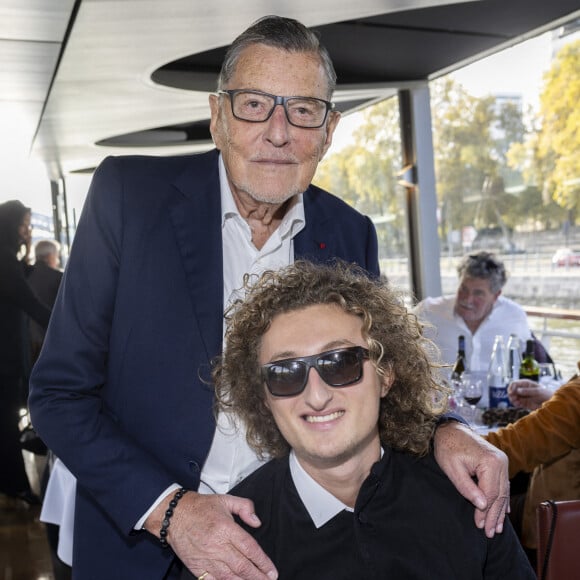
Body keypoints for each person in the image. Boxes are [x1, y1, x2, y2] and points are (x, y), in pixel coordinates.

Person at [29, 15, 508, 580]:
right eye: (254, 104)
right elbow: (59, 395)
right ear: (217, 117)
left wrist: (449, 428)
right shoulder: (128, 198)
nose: (278, 133)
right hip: (142, 543)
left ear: (327, 131)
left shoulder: (349, 230)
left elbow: (381, 366)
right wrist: (171, 512)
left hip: (288, 542)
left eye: (303, 110)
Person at [202, 260, 534, 579]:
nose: (316, 396)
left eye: (341, 363)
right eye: (286, 373)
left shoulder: (463, 495)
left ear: (386, 374)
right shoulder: (235, 546)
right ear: (263, 396)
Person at [484, 375, 580, 569]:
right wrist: (553, 402)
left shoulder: (575, 398)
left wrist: (446, 441)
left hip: (556, 532)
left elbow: (507, 448)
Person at [413, 251, 532, 400]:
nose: (467, 299)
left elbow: (528, 362)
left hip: (498, 412)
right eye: (463, 289)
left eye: (478, 293)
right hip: (441, 413)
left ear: (496, 295)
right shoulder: (429, 311)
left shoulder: (514, 316)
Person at [0, 200, 51, 504]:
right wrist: (67, 328)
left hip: (5, 354)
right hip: (3, 358)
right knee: (6, 422)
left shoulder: (8, 258)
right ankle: (15, 485)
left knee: (5, 421)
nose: (27, 230)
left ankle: (13, 484)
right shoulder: (4, 260)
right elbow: (30, 302)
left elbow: (26, 277)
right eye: (24, 224)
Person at [27, 239, 63, 364]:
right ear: (49, 256)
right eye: (57, 256)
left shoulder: (24, 275)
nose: (58, 260)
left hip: (26, 341)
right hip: (50, 339)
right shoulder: (59, 278)